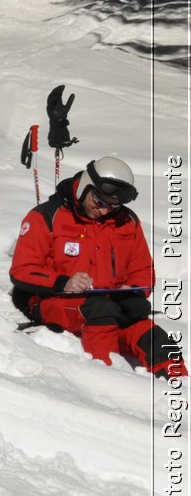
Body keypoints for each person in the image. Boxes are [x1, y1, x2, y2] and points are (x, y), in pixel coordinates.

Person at [10, 156, 184, 378]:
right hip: (56, 301)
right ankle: (106, 381)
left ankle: (179, 389)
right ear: (86, 187)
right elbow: (22, 269)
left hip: (110, 302)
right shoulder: (46, 216)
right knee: (101, 311)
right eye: (99, 202)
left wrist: (133, 290)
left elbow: (143, 269)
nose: (104, 211)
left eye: (112, 206)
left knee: (156, 340)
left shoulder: (126, 222)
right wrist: (64, 282)